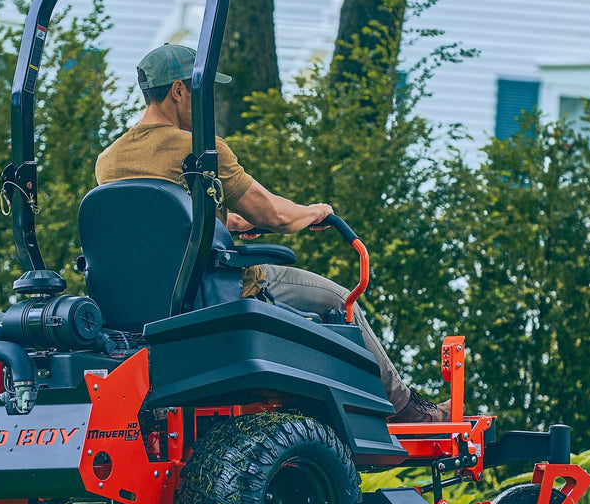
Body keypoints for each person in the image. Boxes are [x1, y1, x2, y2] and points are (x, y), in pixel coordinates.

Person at [94, 42, 447, 423]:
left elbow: (162, 223)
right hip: (218, 291)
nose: (206, 100)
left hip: (145, 304)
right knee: (339, 299)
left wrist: (229, 224)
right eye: (201, 89)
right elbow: (274, 213)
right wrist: (314, 211)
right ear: (178, 90)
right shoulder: (199, 148)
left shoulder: (109, 160)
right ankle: (403, 408)